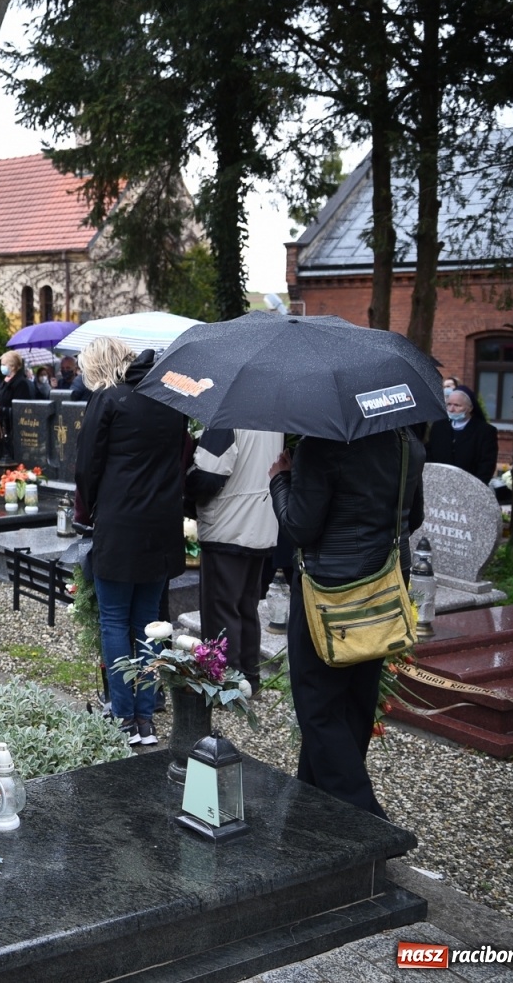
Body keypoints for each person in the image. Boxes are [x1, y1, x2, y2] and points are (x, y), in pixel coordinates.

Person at [269, 428, 425, 819]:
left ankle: (365, 816)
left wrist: (280, 481)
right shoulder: (407, 443)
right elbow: (413, 515)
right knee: (356, 701)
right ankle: (314, 807)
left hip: (329, 594)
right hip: (382, 587)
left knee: (318, 707)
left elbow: (299, 528)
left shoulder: (320, 447)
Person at [75, 336, 188, 748]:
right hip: (161, 526)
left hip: (120, 525)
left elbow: (87, 468)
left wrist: (87, 513)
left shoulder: (108, 401)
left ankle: (123, 714)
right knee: (150, 624)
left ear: (98, 367)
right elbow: (182, 459)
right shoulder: (167, 399)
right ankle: (146, 716)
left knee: (115, 620)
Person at [187, 427, 284, 691]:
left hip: (228, 525)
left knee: (221, 610)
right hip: (260, 524)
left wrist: (185, 479)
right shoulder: (268, 415)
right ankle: (249, 679)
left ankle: (225, 684)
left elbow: (208, 476)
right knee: (245, 607)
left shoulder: (227, 419)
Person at [425, 386, 498, 483]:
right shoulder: (439, 426)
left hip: (469, 485)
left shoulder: (485, 431)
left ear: (470, 408)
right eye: (449, 404)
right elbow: (429, 454)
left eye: (457, 405)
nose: (451, 409)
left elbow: (487, 465)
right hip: (439, 482)